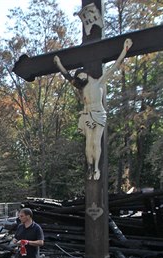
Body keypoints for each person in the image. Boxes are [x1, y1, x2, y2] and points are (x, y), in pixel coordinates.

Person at [53, 38, 133, 180]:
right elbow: (67, 76)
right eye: (78, 77)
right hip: (87, 114)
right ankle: (90, 168)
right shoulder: (81, 87)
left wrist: (125, 49)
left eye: (80, 75)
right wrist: (59, 63)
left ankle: (97, 168)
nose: (79, 77)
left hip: (99, 113)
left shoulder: (99, 82)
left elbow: (115, 66)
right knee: (88, 143)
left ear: (86, 73)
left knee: (96, 142)